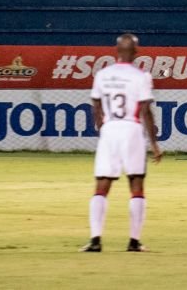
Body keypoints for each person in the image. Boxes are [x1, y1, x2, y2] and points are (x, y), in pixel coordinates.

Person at [80, 33, 163, 253]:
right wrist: (154, 143)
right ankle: (134, 241)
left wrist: (102, 129)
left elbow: (96, 105)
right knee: (136, 184)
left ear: (116, 50)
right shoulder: (141, 76)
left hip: (110, 130)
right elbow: (146, 110)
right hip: (132, 129)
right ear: (136, 52)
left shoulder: (102, 74)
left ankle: (95, 240)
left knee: (101, 186)